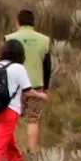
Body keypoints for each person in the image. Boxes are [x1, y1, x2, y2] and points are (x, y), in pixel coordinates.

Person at [6, 9, 53, 152]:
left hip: (14, 87)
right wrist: (45, 88)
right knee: (33, 119)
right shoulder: (44, 40)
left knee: (11, 120)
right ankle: (32, 152)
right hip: (35, 86)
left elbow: (4, 64)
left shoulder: (9, 39)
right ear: (33, 23)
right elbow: (47, 66)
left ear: (18, 22)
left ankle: (12, 152)